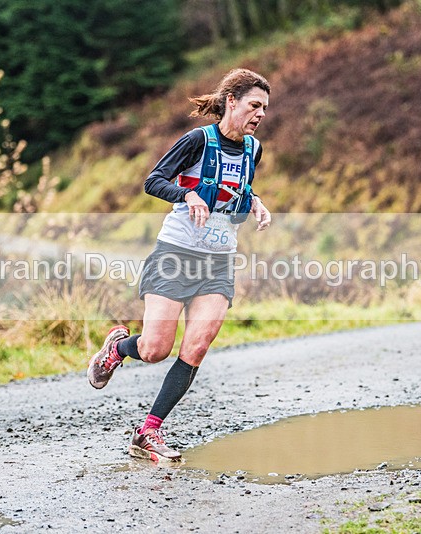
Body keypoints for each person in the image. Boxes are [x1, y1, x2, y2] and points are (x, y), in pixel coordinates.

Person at [87, 68, 272, 462]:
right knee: (155, 349)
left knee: (197, 346)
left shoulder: (255, 149)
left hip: (219, 263)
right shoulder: (196, 140)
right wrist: (186, 196)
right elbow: (153, 180)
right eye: (254, 105)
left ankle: (148, 432)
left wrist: (254, 201)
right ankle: (117, 349)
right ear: (232, 101)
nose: (260, 114)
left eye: (265, 109)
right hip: (177, 255)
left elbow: (237, 185)